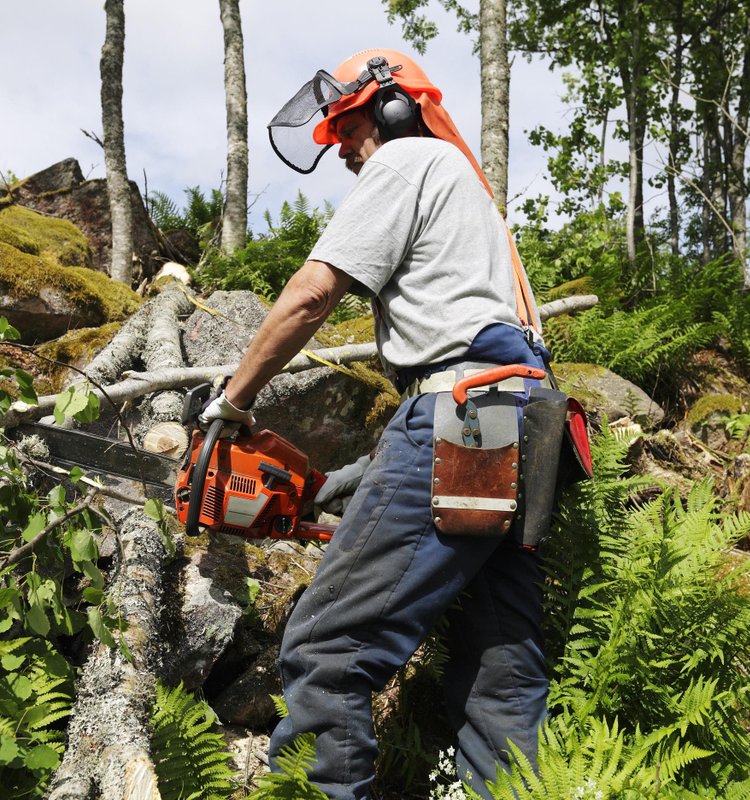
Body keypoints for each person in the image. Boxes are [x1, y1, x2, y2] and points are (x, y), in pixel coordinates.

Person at [199, 49, 553, 800]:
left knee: (329, 646)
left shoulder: (409, 160)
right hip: (523, 424)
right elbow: (472, 352)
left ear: (395, 108)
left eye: (351, 126)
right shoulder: (472, 200)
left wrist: (233, 403)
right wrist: (341, 485)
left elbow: (311, 295)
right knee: (503, 665)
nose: (346, 150)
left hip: (462, 416)